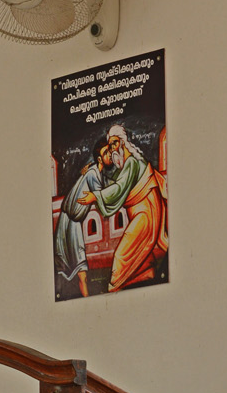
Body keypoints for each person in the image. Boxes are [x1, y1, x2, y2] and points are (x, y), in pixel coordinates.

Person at [78, 124, 167, 292]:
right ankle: (146, 273)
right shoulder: (126, 166)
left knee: (120, 257)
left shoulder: (132, 162)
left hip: (146, 215)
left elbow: (119, 188)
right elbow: (117, 185)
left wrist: (95, 196)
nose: (112, 150)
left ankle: (115, 287)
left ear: (122, 142)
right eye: (110, 146)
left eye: (114, 144)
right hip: (142, 214)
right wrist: (95, 170)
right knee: (139, 254)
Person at [53, 141, 119, 296]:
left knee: (79, 272)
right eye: (106, 153)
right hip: (69, 225)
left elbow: (106, 187)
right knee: (81, 272)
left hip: (71, 223)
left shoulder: (96, 173)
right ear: (100, 159)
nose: (110, 155)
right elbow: (103, 194)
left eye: (110, 152)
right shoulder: (92, 174)